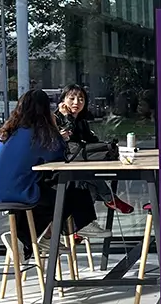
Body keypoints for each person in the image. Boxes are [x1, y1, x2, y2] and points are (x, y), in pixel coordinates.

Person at [0, 89, 99, 258]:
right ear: (44, 110)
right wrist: (55, 127)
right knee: (65, 194)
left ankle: (35, 239)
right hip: (14, 191)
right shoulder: (39, 134)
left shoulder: (11, 129)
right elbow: (61, 155)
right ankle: (24, 238)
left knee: (50, 194)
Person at [55, 84, 134, 221]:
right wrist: (67, 116)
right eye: (71, 98)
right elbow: (68, 137)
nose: (76, 103)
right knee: (88, 179)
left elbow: (91, 141)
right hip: (60, 170)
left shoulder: (82, 120)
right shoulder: (56, 118)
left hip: (80, 166)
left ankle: (79, 228)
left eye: (81, 99)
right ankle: (110, 199)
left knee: (89, 186)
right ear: (62, 101)